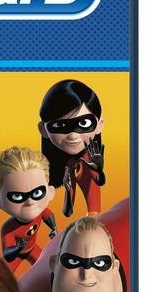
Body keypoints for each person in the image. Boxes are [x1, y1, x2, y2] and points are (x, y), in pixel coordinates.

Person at [37, 79, 106, 218]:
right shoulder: (59, 167)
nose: (73, 136)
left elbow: (95, 200)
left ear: (99, 125)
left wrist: (98, 170)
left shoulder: (88, 160)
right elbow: (67, 212)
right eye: (59, 126)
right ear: (43, 130)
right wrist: (68, 191)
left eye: (84, 123)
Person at [0, 146, 57, 272]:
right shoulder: (9, 229)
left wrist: (54, 228)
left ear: (50, 192)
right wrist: (17, 248)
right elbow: (8, 255)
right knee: (2, 275)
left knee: (49, 270)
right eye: (17, 196)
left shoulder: (40, 212)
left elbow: (48, 216)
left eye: (37, 193)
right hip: (16, 255)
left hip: (33, 248)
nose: (30, 202)